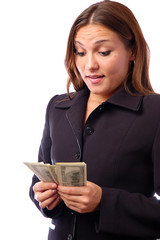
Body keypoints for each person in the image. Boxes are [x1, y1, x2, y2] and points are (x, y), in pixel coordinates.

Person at [29, 1, 160, 239]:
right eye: (80, 52)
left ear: (133, 52)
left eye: (103, 52)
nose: (89, 65)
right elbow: (39, 180)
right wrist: (44, 197)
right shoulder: (58, 107)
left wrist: (104, 202)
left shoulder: (155, 112)